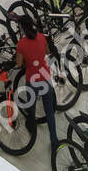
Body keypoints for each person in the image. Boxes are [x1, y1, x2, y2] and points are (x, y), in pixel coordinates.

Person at [16, 17, 58, 148]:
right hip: (45, 77)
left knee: (31, 109)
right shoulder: (41, 37)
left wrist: (24, 60)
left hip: (31, 81)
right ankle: (54, 140)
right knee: (50, 112)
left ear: (22, 28)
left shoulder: (21, 44)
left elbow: (18, 64)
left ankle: (32, 130)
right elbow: (47, 52)